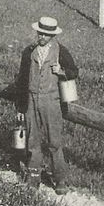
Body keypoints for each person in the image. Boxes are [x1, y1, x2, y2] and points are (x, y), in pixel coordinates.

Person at [13, 16, 79, 194]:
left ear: (52, 36)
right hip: (32, 99)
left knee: (54, 141)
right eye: (40, 33)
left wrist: (61, 71)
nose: (41, 36)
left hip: (52, 101)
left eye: (46, 34)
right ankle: (33, 177)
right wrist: (20, 107)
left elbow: (74, 72)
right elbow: (22, 80)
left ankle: (60, 179)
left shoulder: (61, 51)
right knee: (32, 139)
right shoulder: (29, 51)